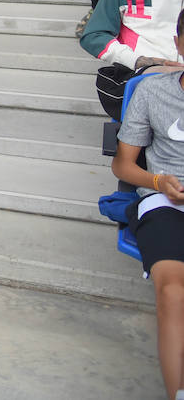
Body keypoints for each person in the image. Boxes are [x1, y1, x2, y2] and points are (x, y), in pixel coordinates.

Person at [110, 31, 184, 400]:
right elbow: (122, 166)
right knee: (172, 291)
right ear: (178, 42)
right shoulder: (153, 92)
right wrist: (158, 180)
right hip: (165, 200)